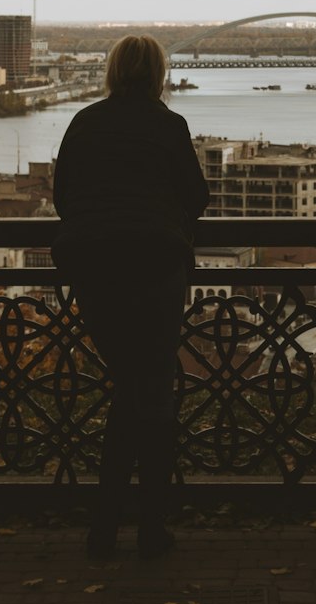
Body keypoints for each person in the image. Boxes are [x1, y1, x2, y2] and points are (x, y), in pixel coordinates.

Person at [52, 34, 208, 560]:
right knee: (152, 392)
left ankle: (104, 529)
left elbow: (63, 196)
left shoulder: (84, 122)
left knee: (130, 387)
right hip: (155, 267)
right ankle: (148, 527)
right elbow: (197, 196)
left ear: (113, 71)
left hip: (94, 269)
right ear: (160, 74)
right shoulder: (169, 125)